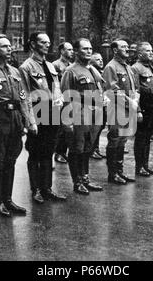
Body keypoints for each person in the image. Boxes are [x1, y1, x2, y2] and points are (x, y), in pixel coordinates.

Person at [0, 35, 37, 216]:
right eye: (4, 47)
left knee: (11, 160)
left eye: (10, 46)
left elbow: (24, 98)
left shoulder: (15, 71)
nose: (9, 49)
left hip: (14, 119)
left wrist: (29, 121)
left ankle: (8, 200)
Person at [19, 32, 67, 204]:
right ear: (33, 45)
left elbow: (57, 87)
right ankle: (36, 189)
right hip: (38, 112)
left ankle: (47, 188)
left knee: (48, 152)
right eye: (42, 42)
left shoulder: (50, 66)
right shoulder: (26, 67)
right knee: (35, 153)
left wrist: (60, 101)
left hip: (52, 112)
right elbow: (24, 96)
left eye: (48, 42)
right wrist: (30, 121)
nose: (47, 45)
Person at [61, 38, 105, 195]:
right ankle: (77, 181)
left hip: (94, 114)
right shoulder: (71, 71)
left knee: (88, 148)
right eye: (85, 49)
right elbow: (66, 97)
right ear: (76, 51)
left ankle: (85, 177)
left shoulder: (93, 70)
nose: (89, 51)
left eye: (90, 48)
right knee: (77, 148)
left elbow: (100, 88)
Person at [103, 40, 142, 184]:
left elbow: (135, 88)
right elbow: (112, 90)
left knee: (122, 141)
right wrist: (129, 102)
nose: (127, 49)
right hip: (117, 109)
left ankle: (120, 171)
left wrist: (136, 102)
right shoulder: (111, 67)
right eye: (123, 47)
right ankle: (112, 174)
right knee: (115, 140)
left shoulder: (128, 67)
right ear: (114, 50)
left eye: (127, 46)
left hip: (129, 108)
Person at [131, 42, 153, 177]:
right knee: (141, 136)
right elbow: (135, 91)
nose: (150, 53)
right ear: (139, 54)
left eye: (151, 50)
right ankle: (139, 166)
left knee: (148, 136)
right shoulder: (135, 68)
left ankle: (146, 164)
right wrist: (137, 110)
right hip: (144, 104)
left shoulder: (151, 68)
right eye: (147, 51)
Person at [53, 42, 74, 164]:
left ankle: (63, 151)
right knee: (61, 128)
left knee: (69, 127)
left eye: (72, 49)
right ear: (62, 51)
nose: (72, 51)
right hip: (61, 99)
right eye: (69, 49)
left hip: (71, 98)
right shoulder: (56, 65)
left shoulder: (71, 65)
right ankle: (58, 152)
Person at [90, 52, 106, 159]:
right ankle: (91, 150)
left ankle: (96, 148)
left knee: (101, 127)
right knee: (94, 128)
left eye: (101, 59)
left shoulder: (102, 72)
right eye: (97, 59)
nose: (100, 61)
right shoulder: (90, 72)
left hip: (102, 103)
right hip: (93, 104)